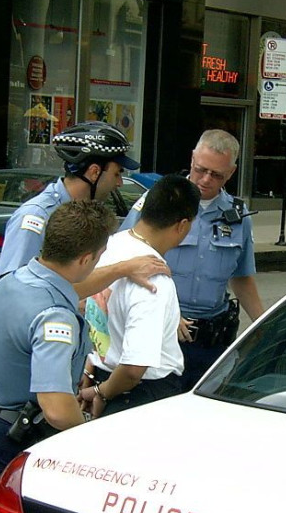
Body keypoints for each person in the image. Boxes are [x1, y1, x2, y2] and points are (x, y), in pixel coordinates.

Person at [0, 200, 117, 513]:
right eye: (100, 255)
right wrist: (90, 437)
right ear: (86, 259)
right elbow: (56, 408)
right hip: (15, 438)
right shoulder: (54, 315)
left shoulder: (11, 282)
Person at [120, 129, 265, 389]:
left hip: (212, 341)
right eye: (201, 169)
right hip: (163, 334)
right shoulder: (160, 201)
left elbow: (242, 278)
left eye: (216, 174)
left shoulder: (238, 216)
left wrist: (264, 326)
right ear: (191, 160)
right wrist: (169, 312)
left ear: (230, 173)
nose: (205, 179)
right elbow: (123, 255)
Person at [79, 174, 200, 418]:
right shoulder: (153, 277)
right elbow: (135, 368)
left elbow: (91, 312)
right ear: (183, 225)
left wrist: (93, 369)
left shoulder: (110, 246)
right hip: (140, 394)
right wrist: (102, 394)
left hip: (105, 375)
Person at [0, 120, 140, 277]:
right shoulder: (37, 216)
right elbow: (15, 285)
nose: (119, 183)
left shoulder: (91, 215)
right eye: (117, 173)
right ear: (94, 172)